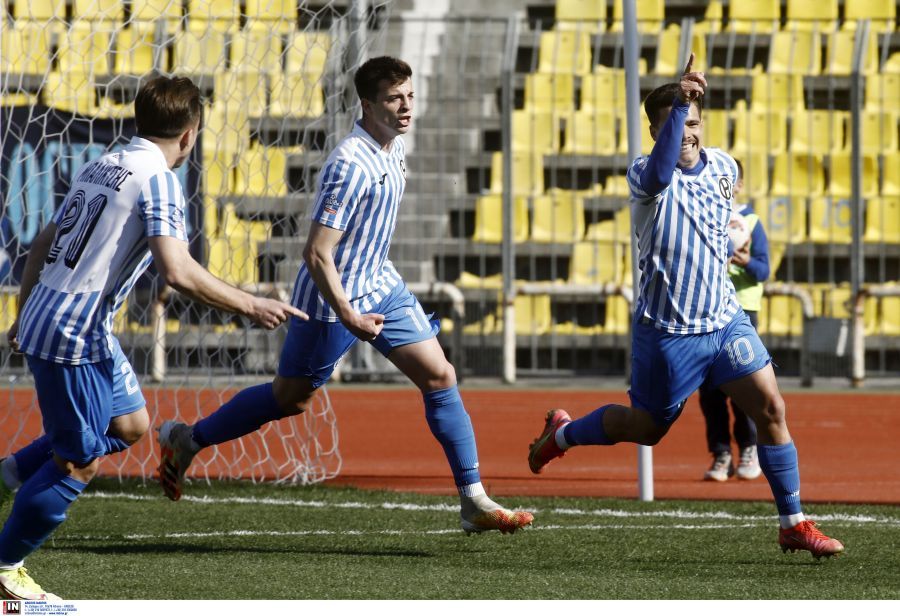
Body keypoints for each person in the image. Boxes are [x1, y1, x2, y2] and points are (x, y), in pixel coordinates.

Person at [156, 56, 534, 536]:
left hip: (382, 284)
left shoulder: (394, 146)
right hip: (331, 300)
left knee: (440, 375)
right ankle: (188, 439)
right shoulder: (350, 164)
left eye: (410, 96)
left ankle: (473, 500)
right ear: (368, 105)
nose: (406, 107)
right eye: (394, 99)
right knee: (290, 399)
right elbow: (317, 253)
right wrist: (348, 314)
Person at [0, 75, 305, 601]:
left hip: (67, 318)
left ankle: (8, 475)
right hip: (74, 330)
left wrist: (25, 313)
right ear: (189, 135)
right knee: (79, 461)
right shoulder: (159, 179)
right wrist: (252, 304)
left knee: (129, 424)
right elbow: (178, 271)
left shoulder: (104, 164)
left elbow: (42, 243)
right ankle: (6, 569)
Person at [527, 55, 843, 559]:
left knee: (771, 409)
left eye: (694, 121)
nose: (687, 132)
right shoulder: (644, 174)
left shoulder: (725, 167)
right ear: (657, 130)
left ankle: (793, 523)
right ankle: (562, 435)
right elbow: (661, 172)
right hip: (668, 333)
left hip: (724, 321)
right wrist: (678, 103)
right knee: (647, 429)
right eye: (677, 122)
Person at [699, 159, 770, 482]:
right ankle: (721, 453)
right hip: (708, 311)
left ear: (738, 184)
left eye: (731, 179)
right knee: (710, 389)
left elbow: (763, 270)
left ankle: (749, 448)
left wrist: (746, 262)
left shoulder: (751, 221)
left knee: (743, 384)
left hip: (743, 312)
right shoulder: (704, 214)